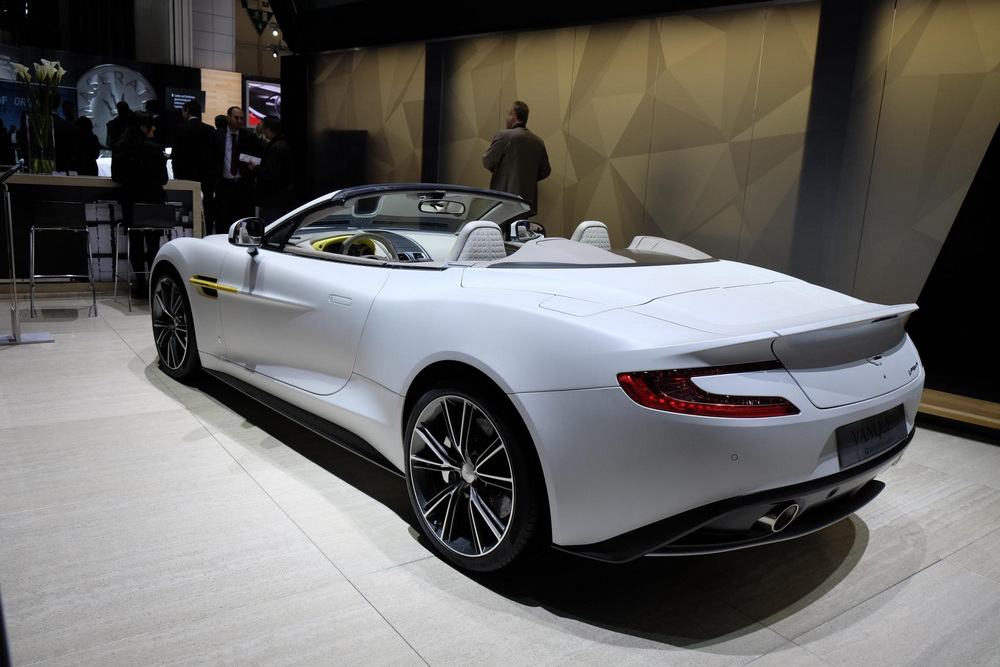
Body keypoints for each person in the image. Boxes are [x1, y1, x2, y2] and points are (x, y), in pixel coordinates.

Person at [111, 110, 168, 298]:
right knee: (153, 244)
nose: (155, 128)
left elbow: (116, 177)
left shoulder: (120, 147)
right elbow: (164, 179)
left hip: (131, 202)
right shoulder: (155, 149)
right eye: (152, 125)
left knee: (135, 243)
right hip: (153, 202)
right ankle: (154, 283)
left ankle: (140, 284)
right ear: (144, 127)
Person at [482, 100, 551, 218]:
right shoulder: (538, 142)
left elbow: (487, 161)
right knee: (520, 229)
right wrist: (528, 179)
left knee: (499, 229)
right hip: (526, 204)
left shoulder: (504, 136)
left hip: (503, 201)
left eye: (507, 114)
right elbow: (546, 171)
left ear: (513, 115)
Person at [212, 105, 259, 234]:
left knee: (242, 220)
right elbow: (212, 158)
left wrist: (250, 172)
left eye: (241, 118)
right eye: (236, 118)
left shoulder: (249, 137)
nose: (239, 121)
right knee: (223, 219)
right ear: (228, 118)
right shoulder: (217, 135)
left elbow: (257, 157)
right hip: (223, 184)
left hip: (242, 185)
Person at [171, 100, 217, 233]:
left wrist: (176, 174)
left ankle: (188, 233)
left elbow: (176, 154)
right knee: (208, 205)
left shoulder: (180, 128)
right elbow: (212, 155)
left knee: (187, 205)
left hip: (185, 174)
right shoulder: (209, 129)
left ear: (187, 111)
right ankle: (208, 232)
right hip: (205, 174)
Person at [248, 115, 294, 223]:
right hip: (283, 196)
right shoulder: (283, 144)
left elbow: (271, 174)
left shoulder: (275, 147)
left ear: (268, 129)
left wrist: (255, 168)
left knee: (272, 225)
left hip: (274, 198)